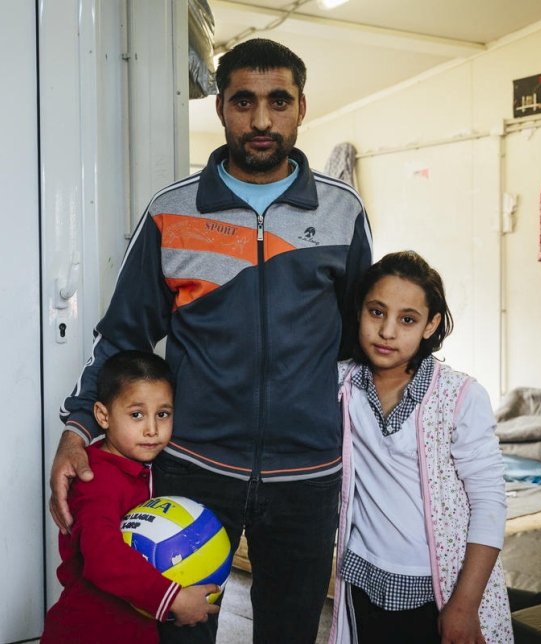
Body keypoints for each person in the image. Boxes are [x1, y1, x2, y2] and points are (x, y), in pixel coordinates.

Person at [50, 38, 373, 644]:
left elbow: (367, 340)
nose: (260, 119)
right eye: (243, 101)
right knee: (178, 631)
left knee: (289, 633)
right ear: (220, 107)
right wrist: (76, 429)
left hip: (307, 474)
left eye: (278, 101)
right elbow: (123, 334)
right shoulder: (172, 211)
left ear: (301, 106)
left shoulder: (342, 213)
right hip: (192, 468)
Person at [329, 251, 513, 643]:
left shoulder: (459, 395)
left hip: (440, 587)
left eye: (407, 319)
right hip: (362, 575)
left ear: (431, 325)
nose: (388, 331)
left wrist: (463, 607)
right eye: (376, 312)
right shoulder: (341, 384)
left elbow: (489, 500)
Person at [41, 351, 220, 644]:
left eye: (163, 414)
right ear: (103, 416)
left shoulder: (140, 466)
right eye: (136, 414)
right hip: (88, 631)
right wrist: (172, 599)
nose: (152, 429)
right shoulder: (95, 477)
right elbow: (102, 556)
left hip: (133, 628)